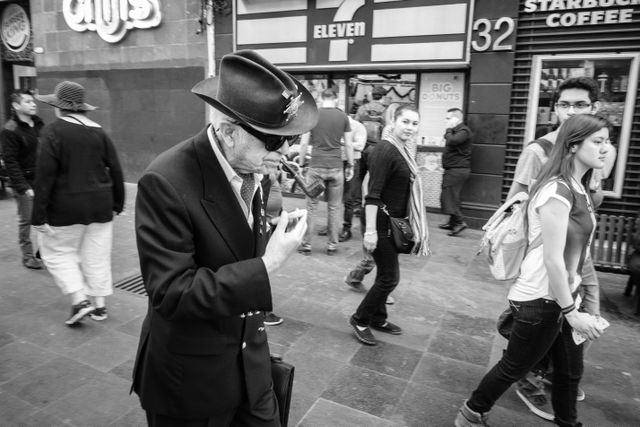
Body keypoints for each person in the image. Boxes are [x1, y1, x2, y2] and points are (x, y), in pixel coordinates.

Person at [131, 50, 315, 426]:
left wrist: (269, 236)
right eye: (274, 142)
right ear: (229, 132)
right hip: (193, 383)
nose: (285, 153)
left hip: (252, 364)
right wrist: (270, 262)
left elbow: (231, 247)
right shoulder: (165, 180)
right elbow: (171, 293)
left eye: (289, 140)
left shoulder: (252, 167)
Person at [454, 114, 610, 427]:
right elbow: (553, 259)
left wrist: (573, 302)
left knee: (569, 372)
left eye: (607, 141)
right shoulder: (557, 191)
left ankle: (568, 422)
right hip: (543, 300)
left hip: (564, 297)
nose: (606, 148)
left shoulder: (579, 188)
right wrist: (572, 312)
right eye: (598, 141)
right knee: (513, 367)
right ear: (573, 145)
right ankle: (472, 413)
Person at [505, 77, 615, 420]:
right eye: (565, 104)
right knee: (537, 315)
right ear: (554, 110)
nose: (571, 110)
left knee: (585, 314)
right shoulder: (539, 150)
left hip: (579, 252)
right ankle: (528, 374)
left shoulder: (602, 149)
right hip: (546, 251)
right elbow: (516, 199)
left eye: (580, 104)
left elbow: (592, 200)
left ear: (594, 108)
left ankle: (558, 371)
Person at [31, 81, 125, 325]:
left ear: (58, 107)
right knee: (97, 256)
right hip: (101, 206)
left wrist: (38, 216)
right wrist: (118, 202)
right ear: (82, 108)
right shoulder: (99, 131)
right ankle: (100, 307)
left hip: (64, 208)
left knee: (56, 253)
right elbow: (115, 169)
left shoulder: (53, 132)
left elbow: (44, 176)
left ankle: (79, 300)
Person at [349, 104, 429, 346]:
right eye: (405, 122)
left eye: (415, 123)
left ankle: (378, 318)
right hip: (380, 223)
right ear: (393, 121)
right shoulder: (386, 150)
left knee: (384, 273)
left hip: (392, 221)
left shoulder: (401, 149)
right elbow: (373, 194)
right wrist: (370, 231)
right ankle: (360, 319)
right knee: (390, 278)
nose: (410, 128)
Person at [297, 89, 353, 255]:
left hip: (316, 166)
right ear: (335, 99)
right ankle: (332, 245)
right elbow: (349, 145)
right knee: (334, 208)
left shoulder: (313, 115)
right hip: (336, 166)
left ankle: (307, 244)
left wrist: (300, 164)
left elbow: (303, 143)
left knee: (311, 207)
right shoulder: (343, 117)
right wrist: (351, 164)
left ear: (320, 99)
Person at [0, 90, 45, 269]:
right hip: (24, 181)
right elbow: (10, 162)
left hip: (42, 178)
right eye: (27, 102)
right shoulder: (10, 130)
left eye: (33, 101)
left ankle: (43, 250)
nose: (33, 104)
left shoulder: (39, 124)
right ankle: (27, 256)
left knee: (47, 216)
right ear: (16, 106)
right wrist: (23, 186)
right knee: (27, 219)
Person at [438, 107, 472, 236]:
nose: (446, 121)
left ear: (456, 119)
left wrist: (448, 129)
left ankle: (459, 222)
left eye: (448, 118)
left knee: (448, 196)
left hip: (457, 170)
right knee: (452, 196)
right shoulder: (456, 131)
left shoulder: (464, 131)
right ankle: (452, 222)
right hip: (454, 169)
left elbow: (453, 140)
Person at [339, 116, 367, 242]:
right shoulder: (338, 124)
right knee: (333, 197)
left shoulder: (358, 126)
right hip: (337, 162)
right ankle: (331, 226)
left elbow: (360, 146)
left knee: (349, 198)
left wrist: (343, 142)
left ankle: (347, 229)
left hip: (352, 163)